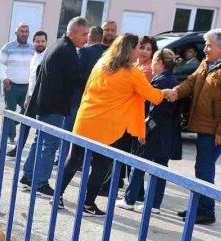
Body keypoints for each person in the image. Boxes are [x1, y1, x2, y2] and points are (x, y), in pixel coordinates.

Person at [57, 34, 164, 216]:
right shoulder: (133, 73)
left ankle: (57, 195)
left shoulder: (100, 65)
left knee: (73, 159)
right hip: (107, 127)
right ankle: (88, 204)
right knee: (100, 166)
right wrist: (166, 93)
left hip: (86, 120)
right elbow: (153, 96)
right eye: (138, 47)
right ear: (130, 50)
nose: (140, 51)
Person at [168, 29, 221, 225]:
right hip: (204, 127)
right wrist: (176, 91)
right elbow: (192, 81)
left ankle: (206, 211)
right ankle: (199, 208)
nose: (205, 49)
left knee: (204, 169)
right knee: (202, 168)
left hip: (215, 130)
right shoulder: (207, 62)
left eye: (209, 45)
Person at [19, 17, 88, 199]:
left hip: (45, 102)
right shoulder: (67, 50)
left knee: (39, 140)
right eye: (84, 34)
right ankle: (40, 182)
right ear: (73, 32)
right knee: (49, 145)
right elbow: (78, 78)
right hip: (54, 105)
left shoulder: (59, 45)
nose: (86, 39)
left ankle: (28, 177)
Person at [120, 48, 181, 214]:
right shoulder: (174, 80)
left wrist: (144, 131)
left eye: (154, 60)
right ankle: (154, 205)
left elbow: (154, 112)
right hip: (168, 133)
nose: (152, 64)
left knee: (139, 163)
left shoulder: (159, 82)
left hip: (155, 132)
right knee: (160, 168)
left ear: (160, 62)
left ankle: (129, 199)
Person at [6, 30, 47, 158]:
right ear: (33, 43)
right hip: (31, 96)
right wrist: (28, 96)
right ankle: (18, 149)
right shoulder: (34, 57)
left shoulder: (47, 57)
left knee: (41, 129)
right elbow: (32, 79)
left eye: (43, 42)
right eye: (38, 42)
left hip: (42, 98)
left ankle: (39, 155)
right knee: (25, 124)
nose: (40, 44)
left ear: (46, 42)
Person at [0, 22, 34, 143]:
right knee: (10, 110)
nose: (24, 34)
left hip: (27, 86)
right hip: (11, 85)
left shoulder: (32, 48)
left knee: (28, 110)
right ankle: (10, 136)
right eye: (21, 31)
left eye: (26, 32)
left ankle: (10, 126)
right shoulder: (7, 47)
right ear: (16, 33)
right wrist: (4, 78)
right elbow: (0, 63)